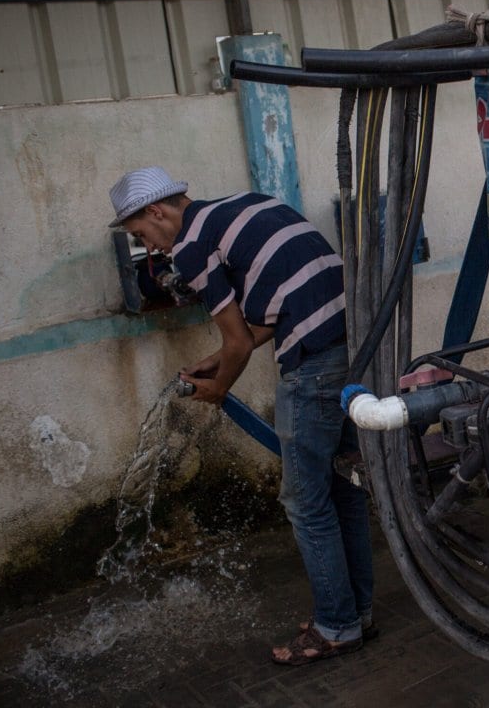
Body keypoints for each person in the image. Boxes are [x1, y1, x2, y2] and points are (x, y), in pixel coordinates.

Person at [108, 166, 375, 666]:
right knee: (343, 487)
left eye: (143, 236)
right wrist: (219, 359)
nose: (154, 249)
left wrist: (219, 386)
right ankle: (355, 613)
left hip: (314, 365)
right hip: (354, 348)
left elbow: (237, 341)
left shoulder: (190, 247)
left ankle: (336, 626)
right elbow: (269, 313)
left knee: (304, 502)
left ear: (157, 211)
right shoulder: (243, 207)